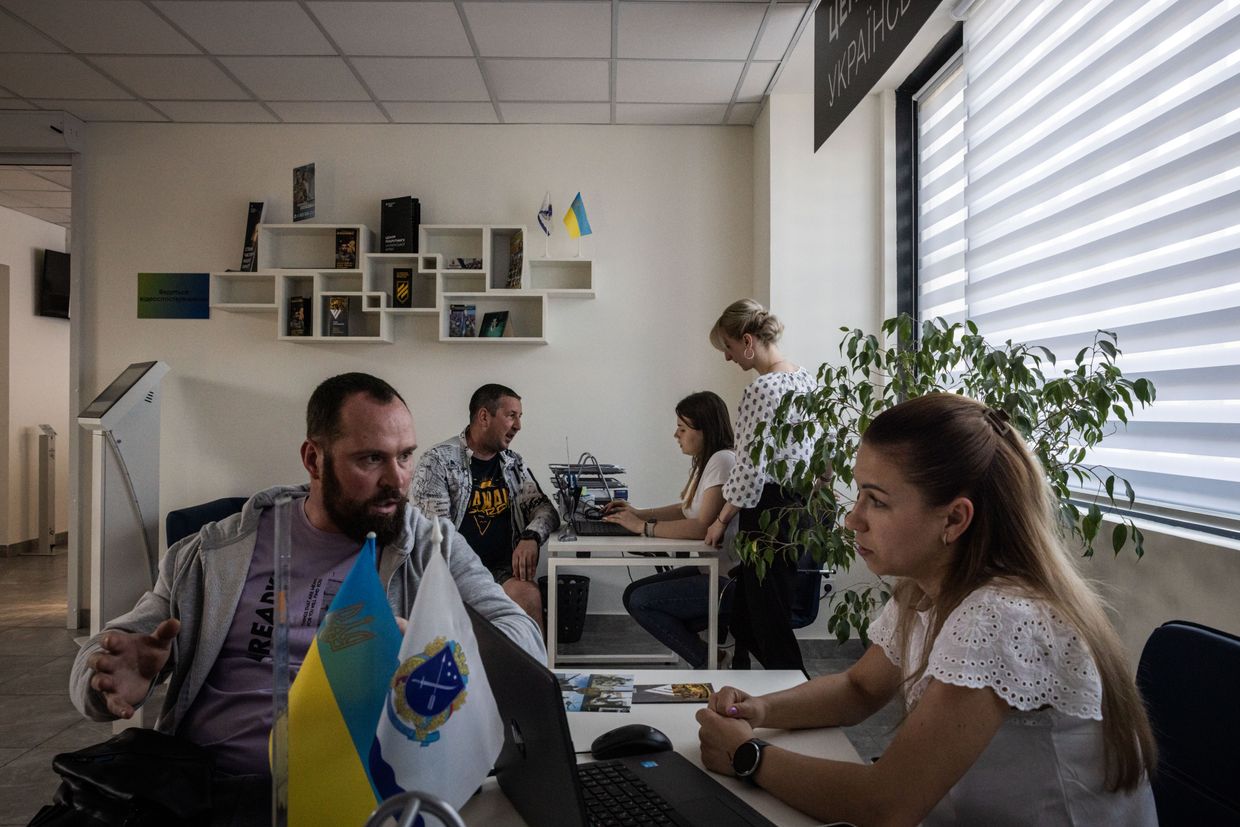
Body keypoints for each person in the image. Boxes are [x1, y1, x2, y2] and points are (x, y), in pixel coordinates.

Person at [69, 373, 544, 826]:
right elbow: (106, 654)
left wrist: (432, 643)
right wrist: (105, 677)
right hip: (207, 789)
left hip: (363, 793)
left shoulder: (430, 546)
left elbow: (522, 637)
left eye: (405, 457)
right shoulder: (215, 552)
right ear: (314, 460)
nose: (397, 481)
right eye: (370, 460)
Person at [696, 393, 1158, 825]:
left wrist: (748, 755)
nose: (852, 518)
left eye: (876, 500)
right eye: (858, 494)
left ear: (954, 519)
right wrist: (760, 709)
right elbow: (860, 688)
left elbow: (888, 804)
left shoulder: (1001, 615)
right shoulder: (925, 590)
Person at [703, 299, 816, 671]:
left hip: (767, 513)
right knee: (751, 619)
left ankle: (803, 697)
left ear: (748, 341)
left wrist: (721, 520)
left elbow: (750, 469)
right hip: (802, 509)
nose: (728, 358)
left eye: (729, 348)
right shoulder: (807, 379)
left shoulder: (761, 390)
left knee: (767, 623)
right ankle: (769, 694)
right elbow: (825, 457)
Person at [600, 391, 740, 669]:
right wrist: (638, 512)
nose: (676, 435)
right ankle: (707, 656)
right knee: (632, 594)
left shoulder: (723, 461)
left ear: (705, 430)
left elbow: (702, 527)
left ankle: (711, 661)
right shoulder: (709, 461)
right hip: (709, 571)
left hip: (725, 581)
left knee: (641, 601)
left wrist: (644, 528)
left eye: (682, 429)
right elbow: (686, 509)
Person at [411, 383, 560, 630]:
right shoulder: (437, 462)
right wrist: (481, 584)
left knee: (529, 595)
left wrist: (531, 536)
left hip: (500, 572)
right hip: (452, 574)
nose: (518, 426)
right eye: (511, 416)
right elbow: (436, 538)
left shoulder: (512, 463)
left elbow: (545, 509)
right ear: (483, 416)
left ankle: (533, 670)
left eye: (520, 417)